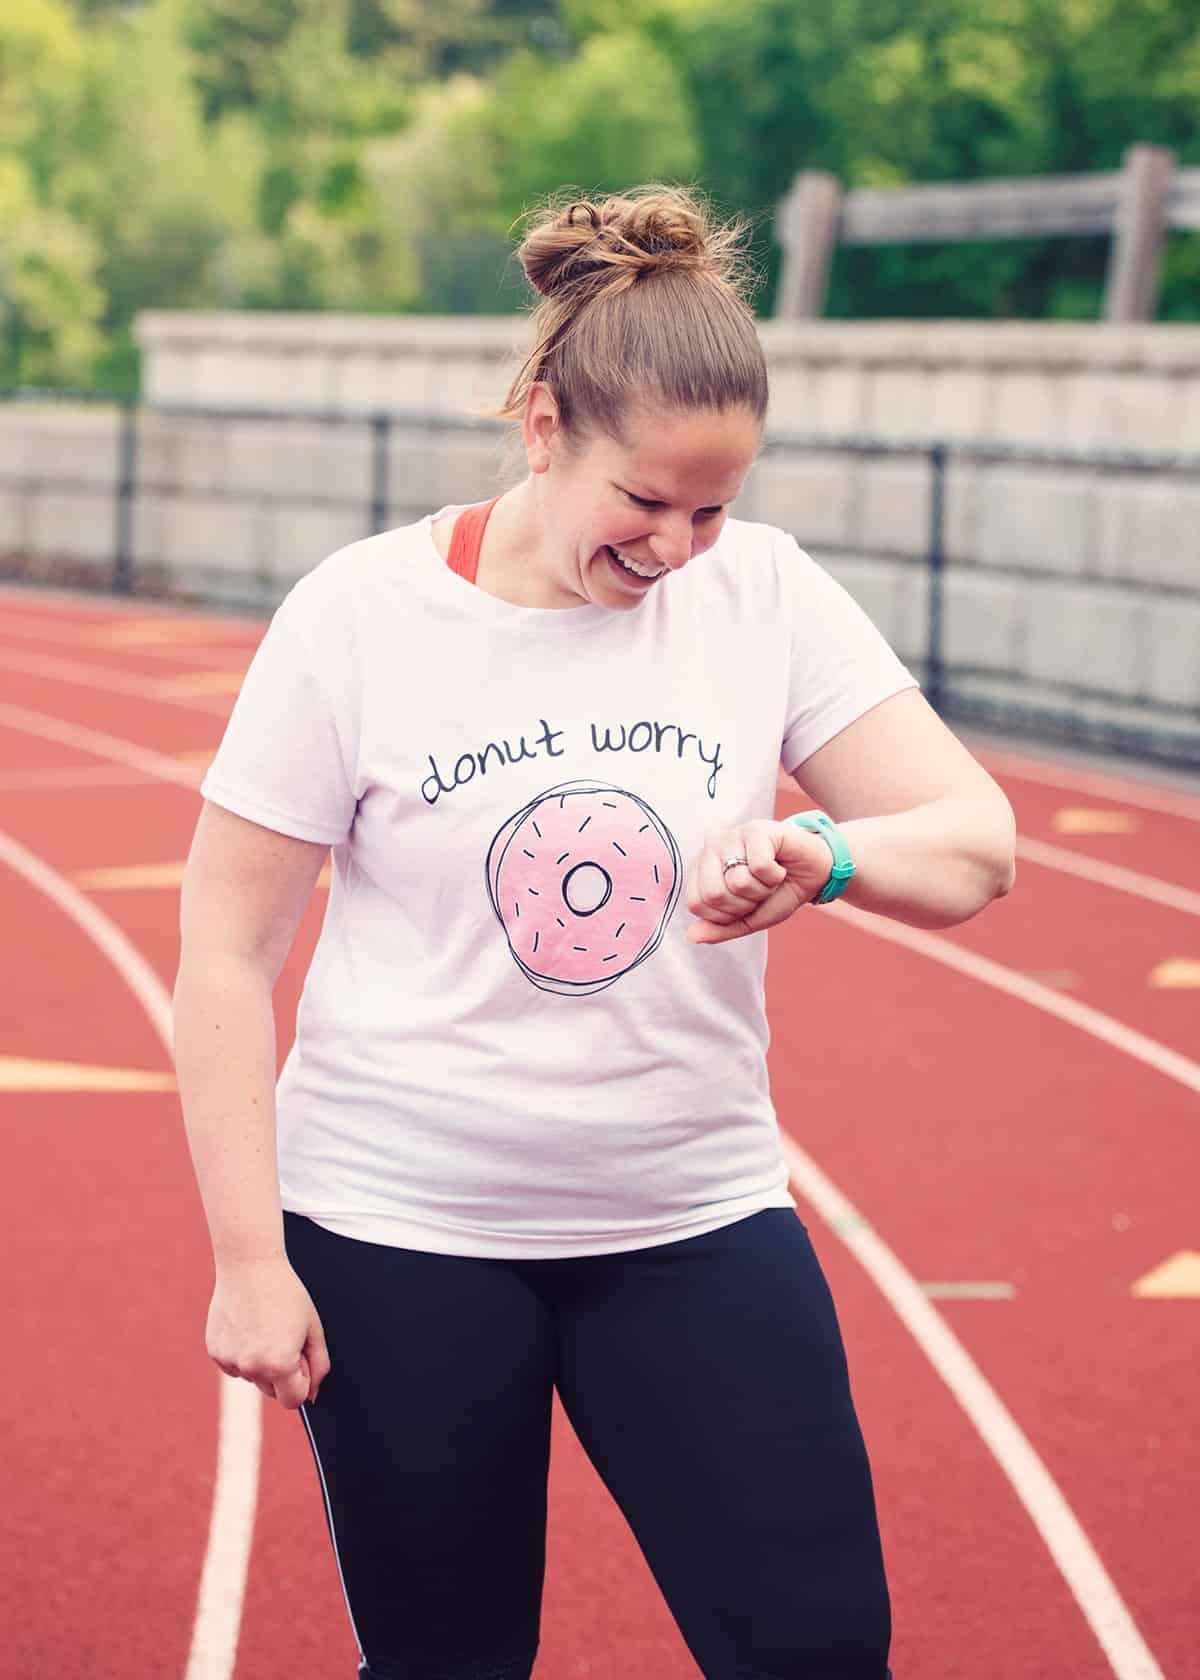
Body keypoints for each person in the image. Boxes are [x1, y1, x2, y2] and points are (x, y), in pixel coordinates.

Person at [173, 183, 1016, 1680]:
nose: (682, 545)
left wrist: (823, 852)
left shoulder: (763, 594)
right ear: (544, 427)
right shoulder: (358, 618)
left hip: (690, 1216)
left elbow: (972, 847)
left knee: (819, 1647)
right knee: (450, 1664)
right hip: (400, 1231)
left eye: (716, 506)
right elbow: (227, 951)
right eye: (647, 503)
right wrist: (249, 1257)